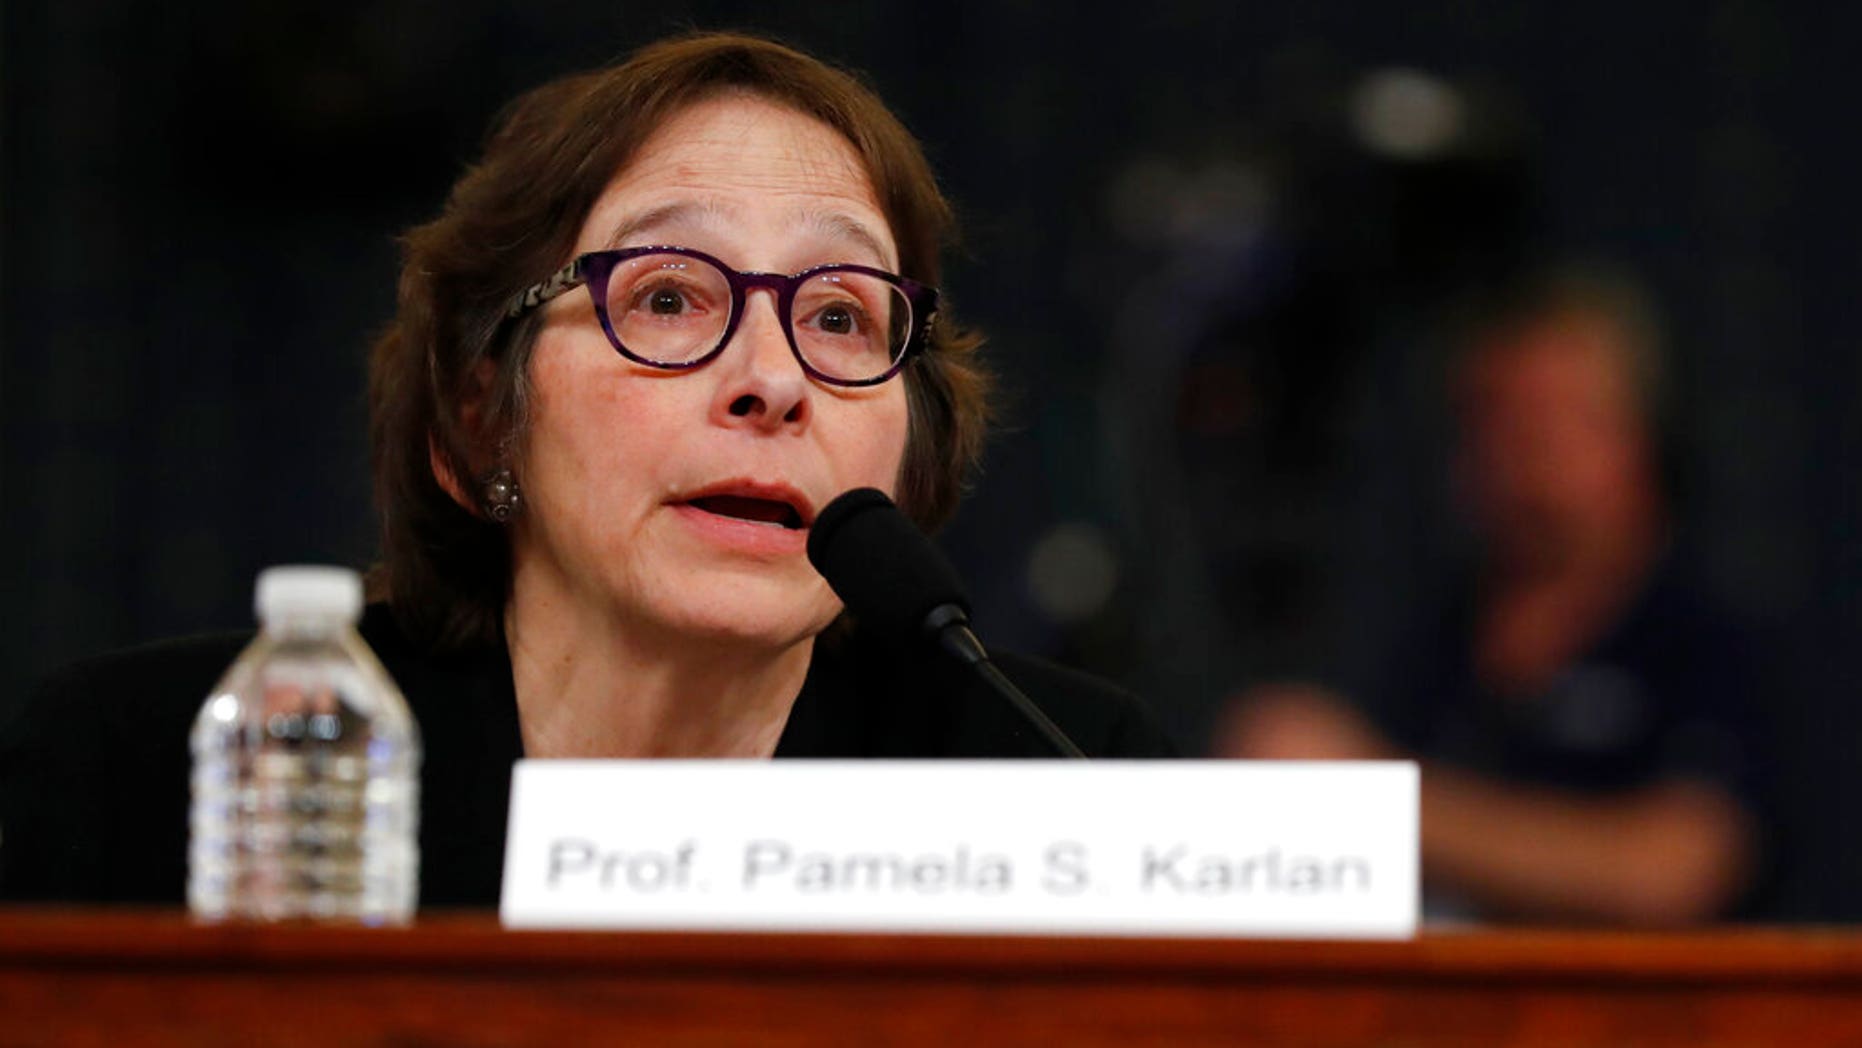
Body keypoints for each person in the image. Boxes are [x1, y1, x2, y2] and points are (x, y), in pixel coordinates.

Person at [0, 32, 1174, 908]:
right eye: (667, 296)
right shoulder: (156, 769)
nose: (772, 378)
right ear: (478, 423)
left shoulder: (1060, 783)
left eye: (839, 316)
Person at [1215, 268, 1764, 925]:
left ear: (1640, 438)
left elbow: (1674, 871)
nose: (1525, 455)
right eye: (1494, 421)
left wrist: (1371, 798)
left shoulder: (1701, 644)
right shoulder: (1426, 643)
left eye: (1557, 419)